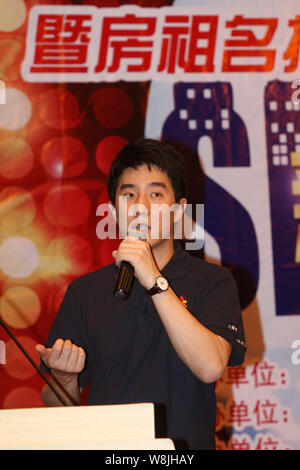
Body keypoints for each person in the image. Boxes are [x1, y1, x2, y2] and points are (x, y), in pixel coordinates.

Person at [36, 138, 246, 450]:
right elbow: (57, 405)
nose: (141, 206)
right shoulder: (85, 292)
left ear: (179, 210)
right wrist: (65, 379)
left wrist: (154, 280)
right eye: (129, 194)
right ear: (113, 209)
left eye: (156, 194)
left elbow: (211, 366)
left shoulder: (212, 281)